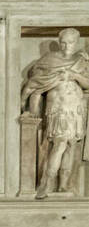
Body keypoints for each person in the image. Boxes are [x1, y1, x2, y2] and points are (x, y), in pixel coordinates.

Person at [21, 28, 89, 198]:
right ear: (59, 42)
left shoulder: (82, 61)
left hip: (76, 109)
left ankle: (64, 186)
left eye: (71, 42)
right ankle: (46, 183)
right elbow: (34, 82)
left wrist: (74, 75)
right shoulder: (49, 60)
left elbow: (87, 83)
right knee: (60, 144)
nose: (67, 46)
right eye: (64, 42)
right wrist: (26, 105)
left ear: (77, 42)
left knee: (70, 147)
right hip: (59, 109)